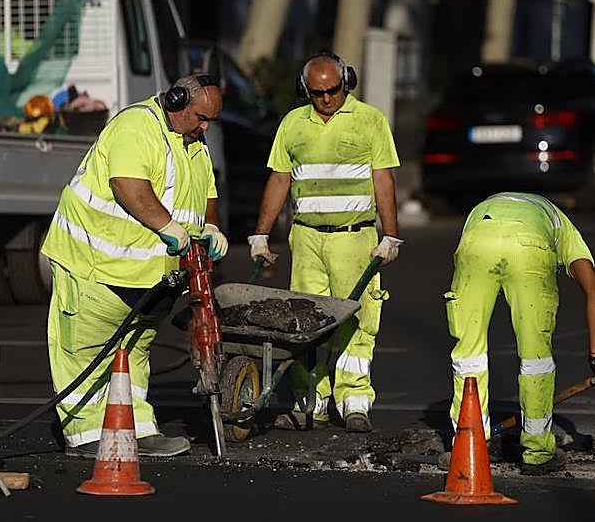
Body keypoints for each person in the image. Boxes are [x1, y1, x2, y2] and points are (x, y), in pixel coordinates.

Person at [40, 74, 229, 458]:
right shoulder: (135, 126)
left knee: (133, 352)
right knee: (85, 349)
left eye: (211, 120)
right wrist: (168, 226)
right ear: (176, 101)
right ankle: (86, 434)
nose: (206, 127)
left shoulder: (193, 139)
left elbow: (206, 189)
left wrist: (210, 224)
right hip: (94, 265)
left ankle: (138, 428)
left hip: (150, 277)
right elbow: (129, 185)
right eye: (201, 117)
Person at [249, 53, 401, 433]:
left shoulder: (370, 120)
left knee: (357, 320)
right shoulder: (293, 124)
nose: (327, 98)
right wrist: (261, 233)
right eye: (318, 93)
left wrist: (391, 234)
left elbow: (383, 179)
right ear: (306, 90)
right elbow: (280, 179)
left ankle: (355, 402)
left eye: (333, 90)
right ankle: (309, 403)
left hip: (355, 238)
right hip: (307, 239)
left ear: (345, 82)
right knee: (304, 322)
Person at [443, 191, 595, 475]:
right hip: (529, 246)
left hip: (476, 238)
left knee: (468, 352)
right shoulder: (564, 229)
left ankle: (469, 443)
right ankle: (537, 451)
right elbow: (593, 291)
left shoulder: (489, 205)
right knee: (536, 358)